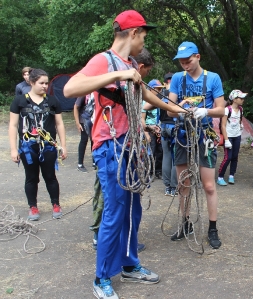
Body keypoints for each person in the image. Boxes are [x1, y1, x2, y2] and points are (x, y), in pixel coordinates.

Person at [63, 10, 184, 299]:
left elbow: (145, 95)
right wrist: (117, 74)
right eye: (143, 34)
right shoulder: (104, 61)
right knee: (115, 212)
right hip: (110, 146)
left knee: (133, 209)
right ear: (133, 33)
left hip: (130, 146)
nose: (144, 40)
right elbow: (70, 89)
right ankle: (102, 277)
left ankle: (129, 265)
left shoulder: (130, 64)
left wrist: (180, 110)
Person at [90, 48, 155, 251]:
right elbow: (71, 88)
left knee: (127, 202)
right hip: (109, 144)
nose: (144, 76)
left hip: (126, 144)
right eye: (147, 72)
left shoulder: (131, 82)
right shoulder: (111, 74)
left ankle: (126, 247)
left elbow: (144, 105)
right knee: (110, 200)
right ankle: (98, 234)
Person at [167, 41, 226, 249]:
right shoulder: (177, 79)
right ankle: (185, 223)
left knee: (209, 185)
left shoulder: (213, 78)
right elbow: (169, 111)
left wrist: (206, 112)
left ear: (198, 57)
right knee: (183, 182)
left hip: (205, 135)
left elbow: (222, 109)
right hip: (183, 134)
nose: (185, 64)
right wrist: (180, 108)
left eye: (188, 60)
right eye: (181, 62)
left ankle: (212, 228)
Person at [9, 68, 67, 221]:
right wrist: (14, 149)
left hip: (48, 146)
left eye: (46, 83)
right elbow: (13, 126)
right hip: (28, 147)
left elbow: (59, 124)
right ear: (32, 82)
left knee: (50, 176)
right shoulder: (20, 101)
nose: (45, 86)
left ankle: (56, 204)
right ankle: (33, 207)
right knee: (31, 178)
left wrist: (63, 146)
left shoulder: (53, 101)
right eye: (41, 83)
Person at [217, 89, 247, 186]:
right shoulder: (227, 110)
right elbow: (223, 125)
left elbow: (240, 120)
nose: (243, 99)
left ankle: (231, 175)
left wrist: (240, 125)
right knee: (227, 157)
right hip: (229, 136)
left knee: (235, 157)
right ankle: (220, 176)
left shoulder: (241, 110)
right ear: (234, 99)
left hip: (237, 136)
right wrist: (226, 140)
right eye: (240, 98)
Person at [141, 79, 163, 178]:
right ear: (151, 89)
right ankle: (148, 172)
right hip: (149, 129)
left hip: (159, 129)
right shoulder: (145, 102)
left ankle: (158, 171)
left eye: (160, 89)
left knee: (160, 151)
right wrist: (146, 134)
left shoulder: (160, 100)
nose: (160, 91)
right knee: (150, 151)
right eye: (157, 89)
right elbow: (142, 118)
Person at [73, 95, 93, 172]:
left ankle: (95, 161)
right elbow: (76, 107)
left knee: (93, 140)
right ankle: (80, 164)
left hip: (93, 120)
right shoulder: (83, 94)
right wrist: (77, 123)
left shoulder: (96, 91)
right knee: (84, 139)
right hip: (83, 120)